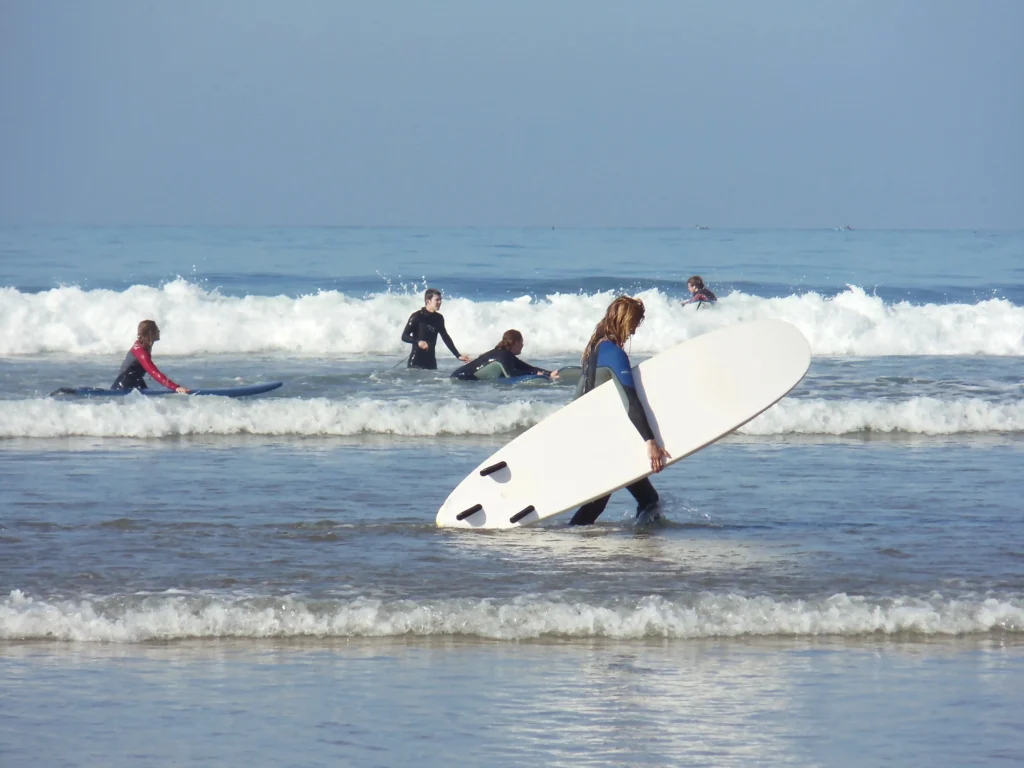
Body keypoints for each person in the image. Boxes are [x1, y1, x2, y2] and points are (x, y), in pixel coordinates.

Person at [568, 296, 670, 526]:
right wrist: (650, 441)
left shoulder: (593, 350)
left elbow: (575, 400)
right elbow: (630, 400)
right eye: (634, 325)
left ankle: (577, 538)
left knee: (613, 499)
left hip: (593, 436)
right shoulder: (614, 353)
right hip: (606, 440)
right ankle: (644, 548)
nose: (633, 332)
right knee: (645, 499)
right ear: (624, 321)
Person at [111, 320, 189, 393]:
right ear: (150, 333)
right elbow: (154, 372)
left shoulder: (142, 344)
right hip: (124, 385)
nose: (159, 331)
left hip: (135, 380)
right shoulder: (141, 352)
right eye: (157, 329)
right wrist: (175, 387)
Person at [401, 288, 471, 370]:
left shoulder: (439, 318)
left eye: (440, 300)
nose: (440, 302)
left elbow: (445, 337)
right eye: (437, 300)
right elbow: (404, 336)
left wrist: (458, 355)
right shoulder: (417, 316)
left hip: (431, 362)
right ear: (428, 301)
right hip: (416, 362)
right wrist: (418, 342)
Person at [451, 329, 560, 381]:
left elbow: (528, 368)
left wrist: (549, 373)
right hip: (462, 378)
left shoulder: (505, 354)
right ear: (516, 343)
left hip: (461, 376)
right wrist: (540, 375)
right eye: (522, 342)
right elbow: (511, 374)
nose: (523, 345)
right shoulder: (503, 355)